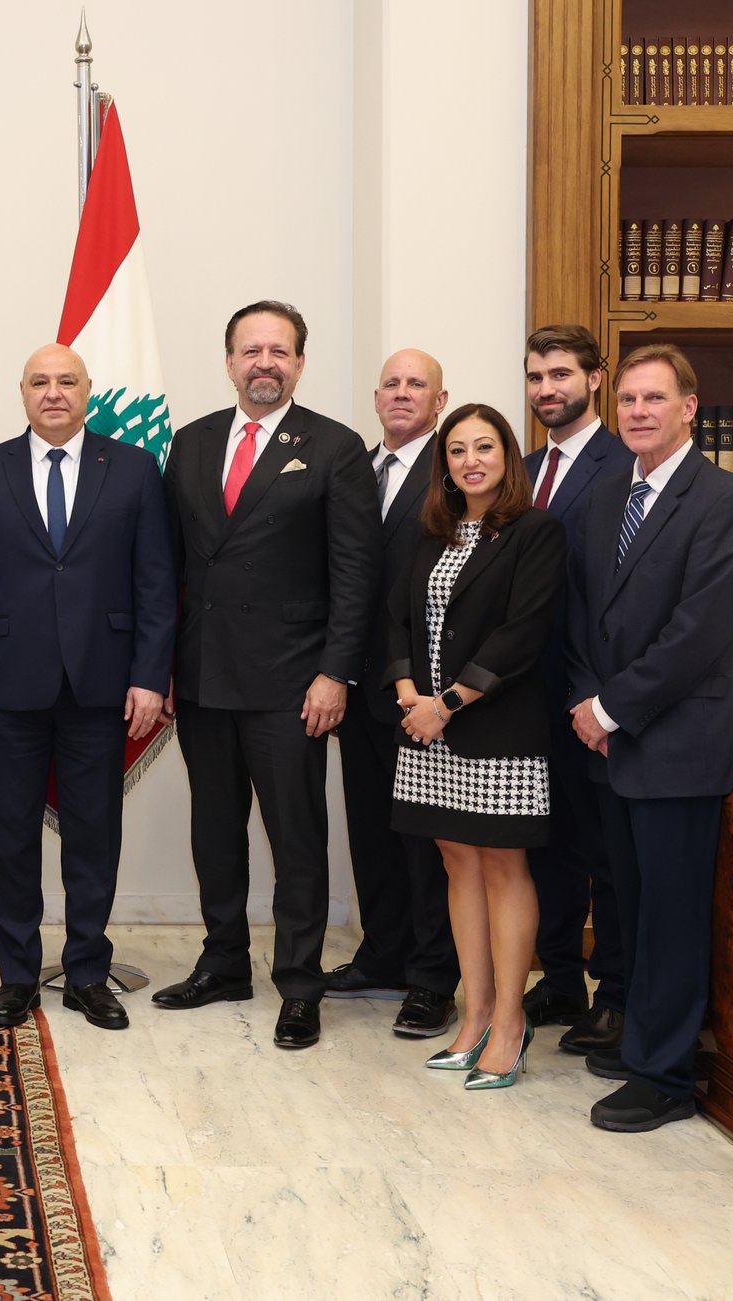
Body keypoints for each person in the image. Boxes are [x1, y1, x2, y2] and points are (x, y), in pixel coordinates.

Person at [153, 301, 377, 1051]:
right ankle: (223, 963)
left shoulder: (335, 447)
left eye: (279, 351)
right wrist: (162, 668)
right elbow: (169, 567)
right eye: (251, 350)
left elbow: (355, 574)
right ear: (229, 362)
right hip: (204, 676)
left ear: (300, 364)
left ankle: (300, 984)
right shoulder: (190, 443)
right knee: (215, 832)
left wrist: (335, 672)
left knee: (296, 839)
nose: (264, 363)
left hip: (292, 683)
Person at [0, 344, 173, 1033]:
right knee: (10, 835)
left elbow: (156, 582)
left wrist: (149, 676)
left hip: (103, 684)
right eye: (39, 381)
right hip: (9, 685)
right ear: (22, 392)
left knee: (93, 835)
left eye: (66, 381)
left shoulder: (133, 468)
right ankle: (17, 976)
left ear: (87, 390)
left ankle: (88, 974)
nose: (53, 393)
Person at [566, 343, 733, 1132]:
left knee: (672, 917)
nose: (638, 411)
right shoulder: (607, 495)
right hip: (612, 742)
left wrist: (611, 709)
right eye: (628, 400)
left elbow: (698, 632)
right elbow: (583, 615)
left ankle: (666, 1076)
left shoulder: (725, 501)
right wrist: (587, 703)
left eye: (655, 398)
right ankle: (642, 1041)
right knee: (632, 908)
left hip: (679, 743)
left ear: (689, 407)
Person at [387, 403, 566, 1089]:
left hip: (496, 725)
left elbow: (522, 634)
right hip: (426, 727)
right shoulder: (431, 532)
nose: (471, 461)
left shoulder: (535, 531)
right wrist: (410, 694)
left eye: (484, 447)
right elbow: (396, 617)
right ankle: (477, 1012)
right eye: (457, 450)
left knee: (502, 866)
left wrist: (448, 704)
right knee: (456, 862)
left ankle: (511, 1023)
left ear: (507, 456)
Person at [332, 349, 458, 1040]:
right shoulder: (354, 466)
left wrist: (432, 689)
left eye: (417, 384)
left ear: (441, 400)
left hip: (423, 693)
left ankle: (433, 978)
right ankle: (382, 956)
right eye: (391, 384)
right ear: (376, 397)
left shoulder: (457, 470)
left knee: (426, 844)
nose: (402, 393)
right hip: (356, 687)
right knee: (372, 833)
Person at [519, 324, 632, 1056]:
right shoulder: (523, 469)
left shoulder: (626, 464)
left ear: (595, 379)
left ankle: (615, 995)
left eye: (560, 374)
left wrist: (601, 699)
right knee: (547, 848)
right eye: (535, 376)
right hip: (527, 699)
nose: (546, 389)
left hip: (594, 699)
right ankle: (560, 978)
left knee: (607, 856)